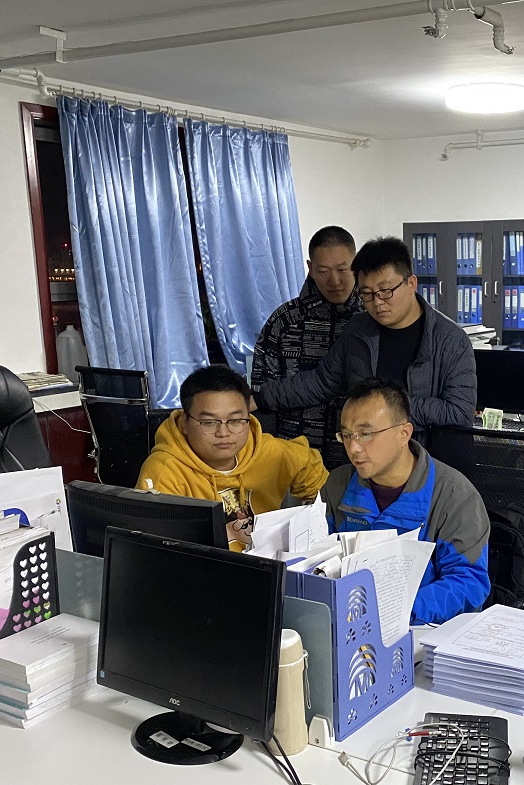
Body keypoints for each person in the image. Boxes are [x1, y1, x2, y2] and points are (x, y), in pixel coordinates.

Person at [250, 236, 475, 442]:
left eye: (385, 290)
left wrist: (385, 408)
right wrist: (260, 398)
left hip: (422, 460)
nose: (377, 302)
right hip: (364, 457)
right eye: (366, 294)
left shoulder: (450, 340)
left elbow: (459, 412)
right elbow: (322, 381)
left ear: (411, 283)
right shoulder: (358, 329)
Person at [323, 379, 490, 625]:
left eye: (365, 434)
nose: (354, 448)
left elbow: (468, 582)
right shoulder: (338, 483)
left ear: (404, 434)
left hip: (424, 630)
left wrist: (399, 610)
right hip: (349, 624)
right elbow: (318, 554)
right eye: (346, 435)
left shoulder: (454, 496)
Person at [137, 365, 328, 549]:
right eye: (209, 422)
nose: (223, 432)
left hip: (271, 563)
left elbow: (321, 485)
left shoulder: (271, 452)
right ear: (185, 422)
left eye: (235, 421)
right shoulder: (164, 472)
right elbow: (157, 550)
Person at [251, 226, 361, 468]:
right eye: (323, 271)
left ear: (356, 264)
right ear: (310, 268)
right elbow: (261, 398)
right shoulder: (284, 321)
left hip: (358, 457)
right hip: (294, 457)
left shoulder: (372, 317)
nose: (335, 281)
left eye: (342, 269)